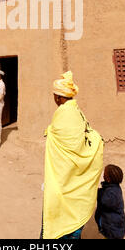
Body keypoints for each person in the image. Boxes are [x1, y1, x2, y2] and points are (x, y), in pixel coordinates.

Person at [41, 71, 103, 240]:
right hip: (76, 187)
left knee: (56, 227)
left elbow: (59, 137)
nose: (54, 98)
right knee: (74, 228)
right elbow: (90, 137)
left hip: (62, 183)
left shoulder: (63, 114)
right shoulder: (77, 112)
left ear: (60, 98)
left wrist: (50, 133)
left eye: (55, 95)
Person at [95, 165, 125, 240]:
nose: (103, 174)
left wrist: (96, 193)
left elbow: (105, 202)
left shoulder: (112, 192)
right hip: (112, 228)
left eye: (104, 173)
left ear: (108, 179)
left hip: (113, 230)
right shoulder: (111, 188)